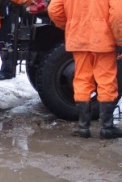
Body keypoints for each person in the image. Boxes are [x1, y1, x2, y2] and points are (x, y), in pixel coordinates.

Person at [48, 0, 122, 139]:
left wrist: (70, 24)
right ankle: (107, 127)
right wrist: (120, 40)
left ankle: (83, 127)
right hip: (103, 39)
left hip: (78, 38)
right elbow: (118, 14)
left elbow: (54, 9)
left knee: (82, 79)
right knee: (106, 80)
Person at [0, 0, 14, 81]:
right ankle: (4, 69)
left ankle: (7, 71)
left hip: (5, 21)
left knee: (5, 45)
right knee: (1, 45)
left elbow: (3, 14)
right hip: (2, 20)